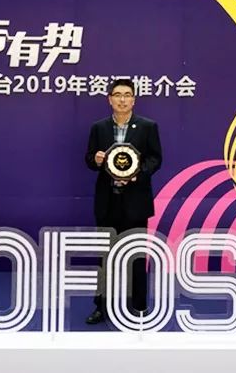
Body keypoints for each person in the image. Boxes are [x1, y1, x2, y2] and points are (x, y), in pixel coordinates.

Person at [84, 78, 162, 324]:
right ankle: (102, 306)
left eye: (127, 95)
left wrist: (137, 174)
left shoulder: (147, 126)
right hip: (107, 201)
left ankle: (138, 307)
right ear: (109, 99)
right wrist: (95, 160)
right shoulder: (99, 128)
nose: (122, 99)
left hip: (136, 201)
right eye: (117, 95)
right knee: (105, 257)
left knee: (136, 255)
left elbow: (155, 159)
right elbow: (89, 159)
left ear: (134, 99)